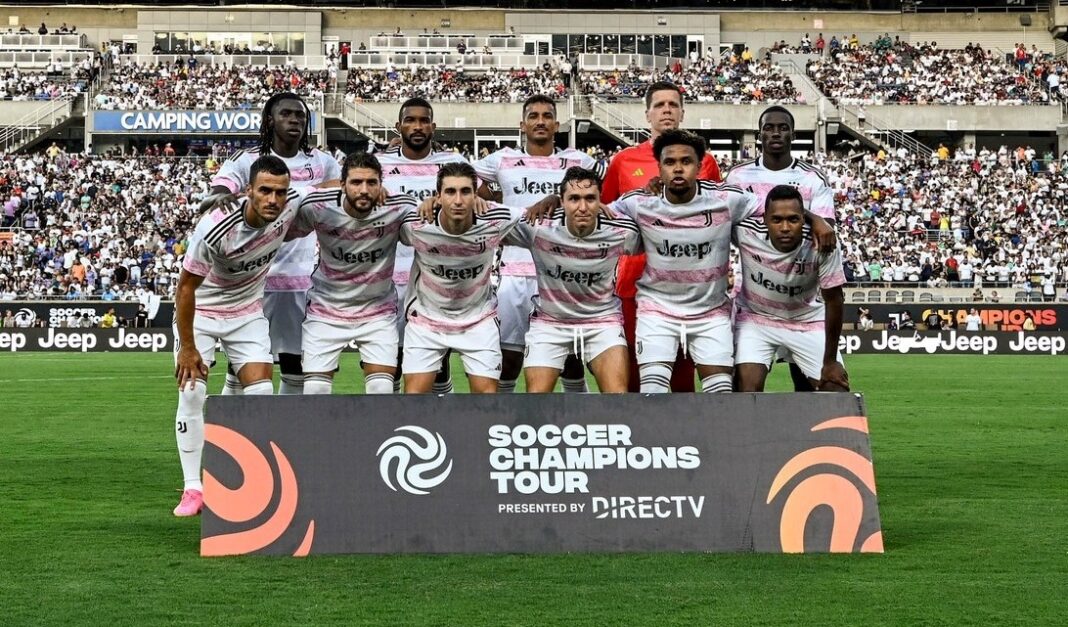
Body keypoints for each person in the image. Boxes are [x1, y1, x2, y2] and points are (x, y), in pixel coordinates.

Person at [172, 156, 303, 517]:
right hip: (203, 311)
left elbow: (331, 189)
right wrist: (187, 348)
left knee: (261, 397)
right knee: (193, 391)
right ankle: (193, 489)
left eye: (280, 192)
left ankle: (246, 480)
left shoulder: (292, 207)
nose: (273, 200)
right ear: (248, 192)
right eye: (265, 191)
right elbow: (185, 288)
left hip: (246, 313)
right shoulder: (215, 228)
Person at [204, 93, 341, 396]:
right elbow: (218, 193)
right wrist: (223, 196)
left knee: (296, 366)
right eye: (287, 114)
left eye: (301, 116)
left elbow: (343, 190)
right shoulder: (246, 160)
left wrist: (318, 190)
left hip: (302, 279)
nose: (295, 120)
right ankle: (234, 435)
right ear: (269, 120)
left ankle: (283, 437)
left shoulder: (322, 162)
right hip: (253, 280)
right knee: (243, 368)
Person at [472, 94, 606, 394]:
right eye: (534, 116)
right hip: (515, 271)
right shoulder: (501, 159)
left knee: (571, 357)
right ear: (523, 124)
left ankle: (577, 424)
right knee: (509, 357)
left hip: (563, 271)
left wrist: (559, 198)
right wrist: (485, 201)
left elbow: (599, 192)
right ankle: (502, 423)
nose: (541, 121)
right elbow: (461, 176)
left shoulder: (577, 160)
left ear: (557, 124)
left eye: (547, 116)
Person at [600, 82, 722, 393]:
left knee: (683, 381)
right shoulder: (623, 161)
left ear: (682, 112)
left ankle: (684, 442)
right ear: (647, 114)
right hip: (634, 281)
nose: (666, 109)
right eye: (659, 105)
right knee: (636, 378)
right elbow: (607, 216)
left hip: (690, 285)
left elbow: (718, 216)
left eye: (672, 104)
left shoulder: (705, 161)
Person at [726, 105, 836, 392]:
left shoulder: (813, 179)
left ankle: (808, 437)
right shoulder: (738, 177)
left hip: (803, 299)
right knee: (745, 387)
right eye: (769, 127)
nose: (775, 132)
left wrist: (816, 221)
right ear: (759, 134)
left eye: (783, 127)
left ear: (793, 134)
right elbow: (727, 225)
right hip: (757, 299)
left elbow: (824, 234)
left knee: (811, 388)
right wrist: (812, 217)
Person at [289, 152, 417, 395]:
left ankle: (377, 434)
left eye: (371, 182)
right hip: (326, 310)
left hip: (377, 312)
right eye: (356, 182)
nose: (364, 190)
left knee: (381, 388)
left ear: (382, 183)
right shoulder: (317, 206)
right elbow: (279, 228)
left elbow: (426, 230)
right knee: (315, 390)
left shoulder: (399, 208)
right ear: (342, 184)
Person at [505, 167, 639, 393]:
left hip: (602, 321)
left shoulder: (621, 230)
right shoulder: (538, 226)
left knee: (618, 396)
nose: (583, 207)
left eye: (590, 199)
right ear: (562, 201)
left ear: (600, 200)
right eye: (574, 199)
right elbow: (486, 224)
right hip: (550, 322)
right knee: (535, 399)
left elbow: (662, 235)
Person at [400, 163, 525, 394]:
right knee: (413, 400)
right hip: (426, 320)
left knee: (486, 401)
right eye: (450, 192)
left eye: (465, 191)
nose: (458, 200)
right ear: (438, 196)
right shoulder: (415, 224)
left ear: (475, 195)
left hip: (478, 320)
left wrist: (554, 200)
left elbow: (541, 220)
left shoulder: (495, 219)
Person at [378, 97, 470, 393]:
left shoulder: (455, 165)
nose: (417, 126)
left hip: (437, 280)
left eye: (423, 121)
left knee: (437, 369)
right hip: (386, 280)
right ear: (398, 126)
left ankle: (443, 428)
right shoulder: (379, 165)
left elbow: (479, 204)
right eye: (410, 120)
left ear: (433, 126)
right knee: (388, 365)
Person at [732, 193, 848, 392]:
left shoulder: (823, 243)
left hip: (805, 319)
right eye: (776, 220)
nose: (785, 227)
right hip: (756, 318)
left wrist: (830, 361)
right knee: (746, 389)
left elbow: (834, 301)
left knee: (835, 388)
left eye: (793, 219)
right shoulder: (745, 232)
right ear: (765, 218)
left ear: (803, 219)